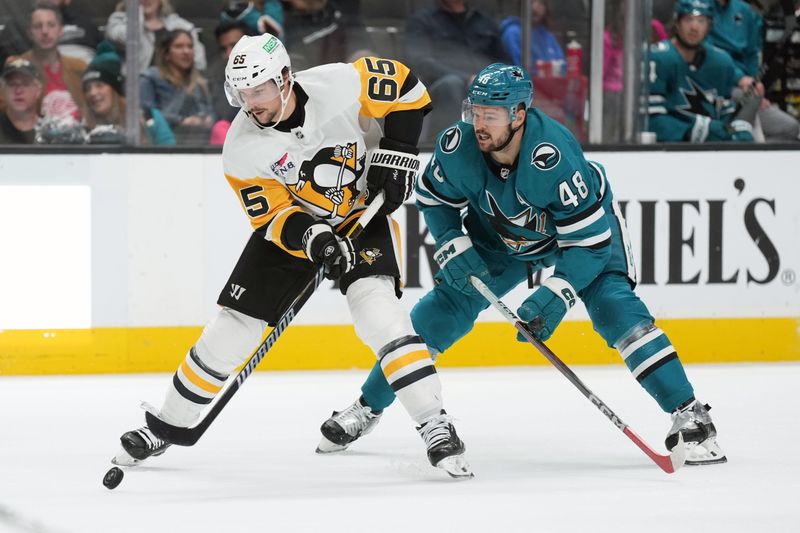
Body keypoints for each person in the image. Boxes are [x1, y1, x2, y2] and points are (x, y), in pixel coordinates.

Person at [316, 63, 727, 467]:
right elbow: (431, 196)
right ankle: (367, 407)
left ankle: (691, 414)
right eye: (475, 113)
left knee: (615, 309)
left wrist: (558, 294)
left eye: (490, 116)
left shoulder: (554, 156)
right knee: (440, 314)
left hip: (582, 239)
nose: (479, 124)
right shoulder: (459, 147)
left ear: (519, 114)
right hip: (499, 238)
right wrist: (452, 242)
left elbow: (588, 244)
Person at [111, 33, 473, 478]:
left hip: (362, 213)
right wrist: (317, 239)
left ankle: (435, 425)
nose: (250, 102)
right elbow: (274, 217)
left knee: (382, 317)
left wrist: (396, 153)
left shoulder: (339, 84)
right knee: (232, 330)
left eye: (258, 89)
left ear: (284, 79)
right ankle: (167, 425)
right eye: (242, 92)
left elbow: (408, 89)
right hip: (294, 233)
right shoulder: (242, 147)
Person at [646, 0, 757, 142]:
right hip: (669, 152)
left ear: (709, 26)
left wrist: (735, 129)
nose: (694, 27)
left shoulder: (721, 62)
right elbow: (652, 121)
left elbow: (726, 117)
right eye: (688, 19)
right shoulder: (659, 58)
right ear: (677, 23)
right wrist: (692, 131)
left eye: (701, 21)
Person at [405, 0, 508, 144]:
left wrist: (489, 79)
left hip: (485, 86)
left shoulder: (484, 20)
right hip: (439, 87)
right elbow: (422, 62)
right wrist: (467, 79)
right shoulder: (423, 20)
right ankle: (451, 144)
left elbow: (504, 61)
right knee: (451, 84)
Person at [707, 0, 800, 141]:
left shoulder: (745, 10)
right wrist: (738, 78)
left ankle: (754, 157)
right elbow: (706, 52)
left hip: (746, 89)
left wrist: (755, 86)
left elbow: (753, 54)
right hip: (712, 86)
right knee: (736, 129)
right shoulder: (697, 8)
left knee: (790, 128)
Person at [82, 41, 175, 145]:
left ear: (115, 90)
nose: (92, 93)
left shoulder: (150, 118)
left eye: (99, 85)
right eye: (87, 88)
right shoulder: (82, 129)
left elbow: (170, 153)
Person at [139, 29, 214, 144]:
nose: (186, 51)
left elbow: (212, 112)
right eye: (179, 46)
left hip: (199, 142)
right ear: (166, 54)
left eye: (190, 46)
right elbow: (148, 115)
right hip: (161, 145)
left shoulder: (201, 82)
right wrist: (182, 121)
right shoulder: (150, 78)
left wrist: (207, 119)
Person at [21, 1, 87, 121]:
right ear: (29, 33)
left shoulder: (79, 66)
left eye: (51, 25)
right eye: (38, 26)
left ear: (61, 30)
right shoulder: (18, 67)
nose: (45, 31)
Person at [105, 0, 207, 74]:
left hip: (176, 92)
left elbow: (199, 63)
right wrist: (136, 14)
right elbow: (129, 39)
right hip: (138, 93)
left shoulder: (179, 25)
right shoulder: (118, 21)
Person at [208, 20, 252, 145]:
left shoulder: (276, 76)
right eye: (224, 49)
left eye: (234, 46)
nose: (229, 54)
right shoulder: (216, 85)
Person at [499, 0, 565, 76]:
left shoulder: (548, 37)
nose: (535, 7)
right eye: (532, 2)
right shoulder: (513, 33)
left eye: (541, 3)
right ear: (523, 5)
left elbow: (562, 66)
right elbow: (517, 72)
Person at [0, 57, 42, 144]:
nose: (18, 91)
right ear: (2, 90)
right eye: (12, 84)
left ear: (38, 90)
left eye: (25, 84)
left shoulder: (51, 131)